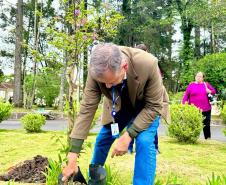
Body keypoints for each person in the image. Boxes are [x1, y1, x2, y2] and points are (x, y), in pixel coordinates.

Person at [62, 43, 163, 185]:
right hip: (119, 106)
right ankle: (95, 181)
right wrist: (72, 157)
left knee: (144, 142)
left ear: (124, 67)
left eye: (111, 81)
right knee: (102, 139)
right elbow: (87, 109)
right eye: (103, 83)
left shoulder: (148, 63)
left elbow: (154, 106)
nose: (107, 87)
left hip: (147, 108)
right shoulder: (96, 69)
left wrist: (128, 135)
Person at [127, 43, 170, 154]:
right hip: (136, 104)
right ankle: (129, 147)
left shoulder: (153, 65)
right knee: (132, 123)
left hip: (150, 102)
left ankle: (154, 147)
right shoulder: (131, 65)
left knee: (151, 126)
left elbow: (158, 85)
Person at [182, 71, 216, 139]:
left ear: (203, 78)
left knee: (206, 125)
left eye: (200, 76)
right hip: (194, 110)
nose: (198, 77)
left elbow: (214, 91)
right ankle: (192, 138)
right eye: (197, 76)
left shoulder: (206, 84)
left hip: (206, 109)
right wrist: (183, 104)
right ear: (195, 77)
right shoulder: (191, 85)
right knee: (193, 125)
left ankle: (207, 139)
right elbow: (186, 96)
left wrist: (209, 91)